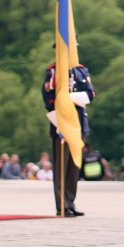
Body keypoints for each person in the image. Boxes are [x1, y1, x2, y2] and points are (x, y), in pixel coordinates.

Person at [42, 60, 95, 216]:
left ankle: (70, 201)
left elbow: (90, 94)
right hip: (62, 125)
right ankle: (61, 205)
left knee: (74, 167)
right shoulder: (54, 71)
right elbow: (48, 97)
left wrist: (70, 97)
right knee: (61, 167)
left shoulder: (81, 71)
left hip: (78, 124)